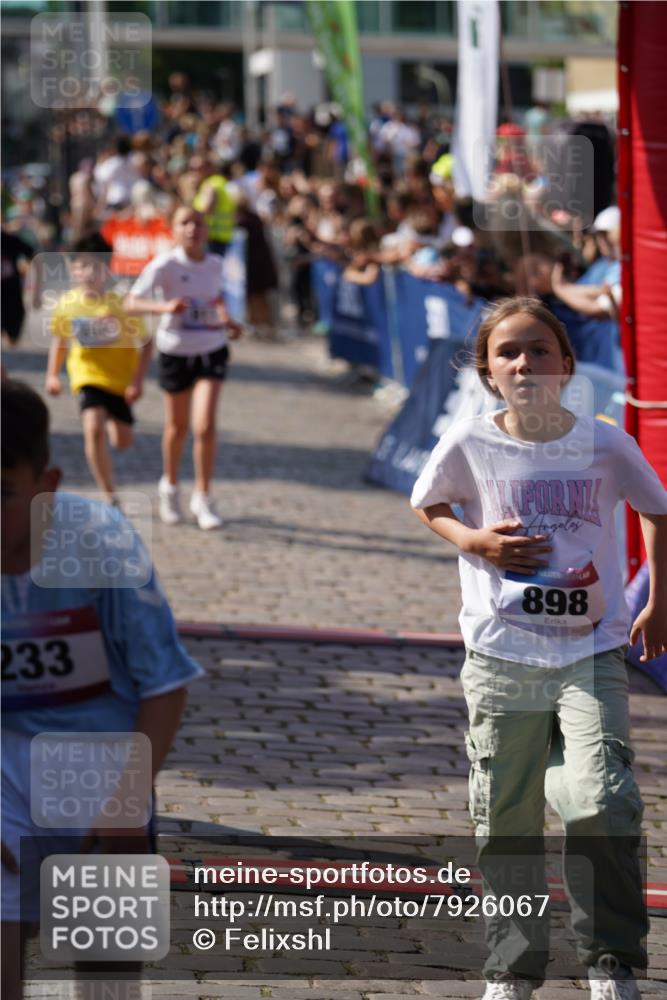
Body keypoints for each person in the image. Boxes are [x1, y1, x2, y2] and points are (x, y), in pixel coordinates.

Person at [411, 297, 667, 1000]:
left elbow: (657, 510)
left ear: (566, 364)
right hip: (501, 653)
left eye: (538, 350)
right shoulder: (468, 441)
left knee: (604, 803)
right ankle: (513, 967)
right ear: (489, 371)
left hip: (591, 651)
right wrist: (474, 541)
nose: (524, 362)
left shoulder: (606, 442)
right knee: (503, 814)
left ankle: (610, 961)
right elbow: (428, 503)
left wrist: (657, 599)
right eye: (508, 352)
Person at [0, 380, 203, 999]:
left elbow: (166, 687)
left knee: (108, 977)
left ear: (48, 485)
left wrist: (123, 805)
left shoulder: (101, 542)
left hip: (107, 771)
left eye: (1, 493)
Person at [124, 206, 242, 530]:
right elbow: (131, 303)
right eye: (185, 223)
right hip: (175, 352)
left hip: (211, 349)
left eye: (198, 223)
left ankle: (203, 496)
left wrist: (228, 321)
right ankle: (171, 488)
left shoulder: (216, 264)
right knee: (177, 428)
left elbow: (215, 301)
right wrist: (164, 307)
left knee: (204, 425)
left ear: (207, 229)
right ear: (173, 230)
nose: (192, 229)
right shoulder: (165, 264)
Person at [45, 233, 152, 506]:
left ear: (108, 268)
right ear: (73, 270)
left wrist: (138, 382)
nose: (90, 273)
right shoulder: (67, 304)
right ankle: (108, 492)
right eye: (83, 266)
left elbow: (147, 342)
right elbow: (60, 341)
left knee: (123, 441)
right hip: (86, 375)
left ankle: (115, 425)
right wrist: (53, 376)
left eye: (96, 266)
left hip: (120, 381)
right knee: (92, 428)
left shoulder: (121, 304)